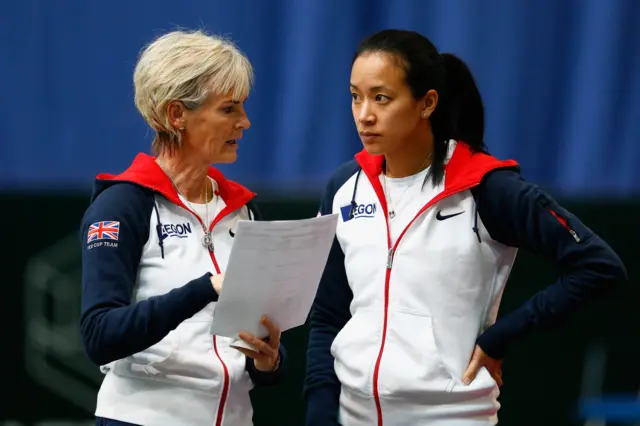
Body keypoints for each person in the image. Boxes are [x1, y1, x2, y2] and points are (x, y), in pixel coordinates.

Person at [304, 29, 627, 426]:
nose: (364, 114)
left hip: (453, 415)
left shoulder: (487, 187)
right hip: (355, 415)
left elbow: (598, 265)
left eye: (381, 98)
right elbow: (328, 313)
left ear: (427, 103)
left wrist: (500, 337)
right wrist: (320, 409)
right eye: (356, 96)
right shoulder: (344, 187)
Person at [79, 30, 286, 426]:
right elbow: (99, 334)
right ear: (177, 115)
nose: (245, 122)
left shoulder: (242, 209)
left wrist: (269, 360)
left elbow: (247, 347)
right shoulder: (123, 205)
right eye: (229, 109)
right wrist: (205, 288)